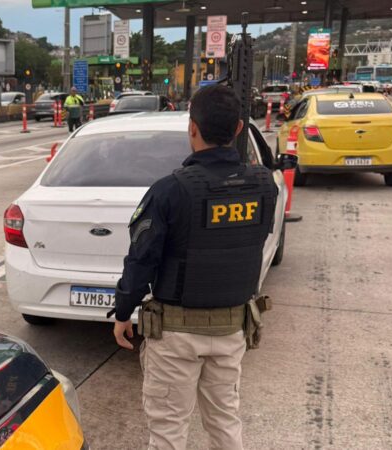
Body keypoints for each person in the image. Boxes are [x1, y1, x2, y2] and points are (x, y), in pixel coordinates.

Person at [111, 85, 278, 450]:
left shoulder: (170, 190)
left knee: (169, 429)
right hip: (232, 328)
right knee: (224, 420)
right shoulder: (265, 185)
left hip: (176, 335)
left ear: (192, 128)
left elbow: (142, 259)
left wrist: (123, 311)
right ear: (238, 129)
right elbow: (256, 242)